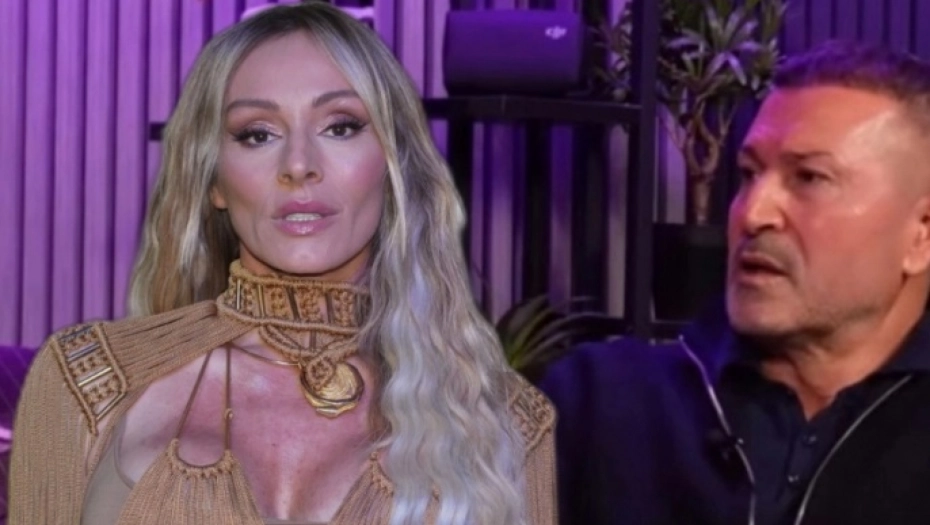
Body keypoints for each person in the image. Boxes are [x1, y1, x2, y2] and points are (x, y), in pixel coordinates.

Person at [9, 3, 556, 524]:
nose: (298, 165)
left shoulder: (503, 421)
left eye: (340, 126)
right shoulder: (88, 382)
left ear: (393, 165)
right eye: (257, 134)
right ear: (214, 180)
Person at [540, 40, 930, 525]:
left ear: (921, 235)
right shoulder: (595, 403)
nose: (753, 213)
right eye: (748, 174)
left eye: (810, 178)